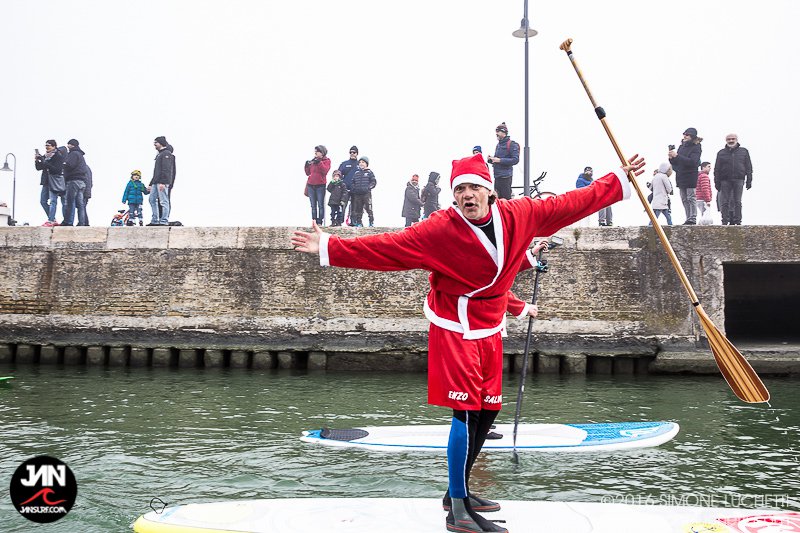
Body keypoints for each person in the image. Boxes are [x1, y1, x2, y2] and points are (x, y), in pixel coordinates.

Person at [292, 151, 645, 533]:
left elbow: (571, 203)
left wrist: (618, 181)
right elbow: (387, 248)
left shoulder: (520, 214)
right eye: (460, 189)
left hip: (489, 323)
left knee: (489, 409)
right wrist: (329, 246)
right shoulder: (438, 229)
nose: (467, 195)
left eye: (475, 187)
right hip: (452, 322)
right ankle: (458, 510)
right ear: (453, 197)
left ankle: (454, 491)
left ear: (490, 192)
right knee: (464, 411)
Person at [713, 133, 753, 226]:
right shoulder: (721, 153)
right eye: (729, 139)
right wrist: (717, 182)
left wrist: (749, 180)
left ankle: (738, 221)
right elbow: (717, 169)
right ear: (726, 140)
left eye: (733, 139)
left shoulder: (744, 151)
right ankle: (724, 221)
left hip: (739, 179)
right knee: (725, 202)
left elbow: (748, 166)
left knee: (737, 201)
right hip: (725, 180)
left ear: (737, 139)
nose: (731, 141)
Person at [668, 127, 702, 225]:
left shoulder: (696, 147)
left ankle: (693, 217)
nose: (685, 136)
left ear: (692, 136)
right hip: (681, 175)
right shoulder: (681, 147)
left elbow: (693, 162)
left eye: (687, 134)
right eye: (684, 134)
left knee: (691, 197)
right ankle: (688, 218)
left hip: (690, 175)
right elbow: (677, 162)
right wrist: (671, 158)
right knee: (684, 198)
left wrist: (677, 156)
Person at [34, 139, 66, 227]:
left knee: (53, 201)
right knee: (43, 201)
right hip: (46, 181)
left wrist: (45, 162)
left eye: (49, 145)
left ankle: (51, 220)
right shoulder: (45, 156)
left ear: (54, 146)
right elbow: (39, 168)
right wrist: (37, 160)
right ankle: (52, 218)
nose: (47, 147)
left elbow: (57, 169)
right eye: (46, 145)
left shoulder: (58, 156)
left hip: (54, 181)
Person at [487, 122, 519, 200]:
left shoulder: (512, 144)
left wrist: (499, 160)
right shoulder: (498, 145)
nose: (496, 134)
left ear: (503, 132)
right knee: (497, 201)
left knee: (506, 201)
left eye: (498, 131)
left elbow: (515, 160)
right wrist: (491, 160)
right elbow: (498, 160)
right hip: (497, 177)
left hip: (505, 177)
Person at [147, 136, 174, 226]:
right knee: (151, 199)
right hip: (155, 182)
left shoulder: (166, 154)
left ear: (161, 143)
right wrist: (151, 184)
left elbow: (166, 169)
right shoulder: (159, 154)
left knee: (163, 201)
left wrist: (163, 182)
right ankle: (155, 220)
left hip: (162, 182)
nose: (154, 144)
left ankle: (164, 221)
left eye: (156, 142)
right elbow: (156, 172)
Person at [61, 139, 89, 226]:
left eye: (68, 144)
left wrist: (63, 165)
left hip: (73, 180)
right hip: (81, 182)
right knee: (80, 204)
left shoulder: (73, 154)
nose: (67, 146)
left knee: (70, 202)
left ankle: (68, 222)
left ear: (72, 145)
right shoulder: (80, 155)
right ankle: (82, 222)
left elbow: (70, 165)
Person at [349, 156, 376, 228]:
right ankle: (359, 222)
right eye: (360, 162)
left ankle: (371, 222)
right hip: (358, 194)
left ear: (366, 164)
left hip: (366, 194)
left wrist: (368, 188)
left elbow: (373, 182)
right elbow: (352, 182)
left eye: (363, 162)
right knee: (358, 209)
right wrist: (354, 189)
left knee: (368, 208)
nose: (361, 164)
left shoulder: (369, 172)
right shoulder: (356, 173)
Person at [338, 145, 360, 226]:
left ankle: (353, 221)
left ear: (357, 153)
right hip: (345, 189)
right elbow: (338, 174)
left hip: (355, 189)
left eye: (354, 152)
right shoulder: (344, 164)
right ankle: (340, 221)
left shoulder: (359, 164)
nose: (352, 154)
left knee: (354, 206)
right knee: (343, 205)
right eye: (350, 152)